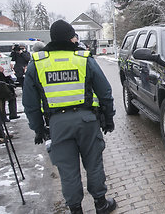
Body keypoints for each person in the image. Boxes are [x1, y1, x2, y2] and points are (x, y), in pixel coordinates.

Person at [22, 20, 117, 214]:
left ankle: (75, 209)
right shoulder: (83, 58)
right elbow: (105, 91)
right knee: (94, 163)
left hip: (58, 123)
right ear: (70, 37)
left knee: (67, 169)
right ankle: (101, 203)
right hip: (87, 120)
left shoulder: (38, 63)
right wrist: (109, 117)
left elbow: (30, 103)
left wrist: (38, 128)